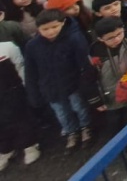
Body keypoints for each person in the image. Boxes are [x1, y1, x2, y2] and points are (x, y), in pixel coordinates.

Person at [23, 9, 94, 149]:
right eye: (45, 29)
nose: (50, 32)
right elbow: (30, 72)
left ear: (63, 23)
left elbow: (84, 63)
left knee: (79, 107)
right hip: (50, 88)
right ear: (38, 29)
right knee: (62, 113)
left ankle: (86, 127)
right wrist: (34, 94)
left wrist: (87, 83)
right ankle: (71, 132)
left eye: (54, 27)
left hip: (72, 84)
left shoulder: (73, 39)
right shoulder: (32, 46)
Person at [0, 38, 41, 168]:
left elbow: (20, 67)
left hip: (11, 89)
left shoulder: (7, 47)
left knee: (19, 117)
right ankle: (5, 149)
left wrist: (25, 87)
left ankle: (29, 145)